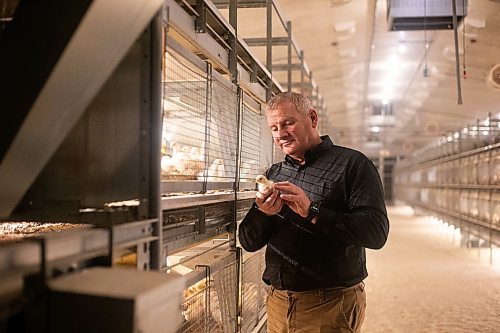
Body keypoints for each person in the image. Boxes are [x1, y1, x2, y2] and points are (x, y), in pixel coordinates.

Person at [238, 91, 389, 333]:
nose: (281, 134)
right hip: (277, 303)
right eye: (274, 127)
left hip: (329, 305)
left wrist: (313, 211)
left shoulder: (353, 165)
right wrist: (262, 213)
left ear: (313, 118)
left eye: (288, 123)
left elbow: (376, 233)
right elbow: (248, 242)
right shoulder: (274, 174)